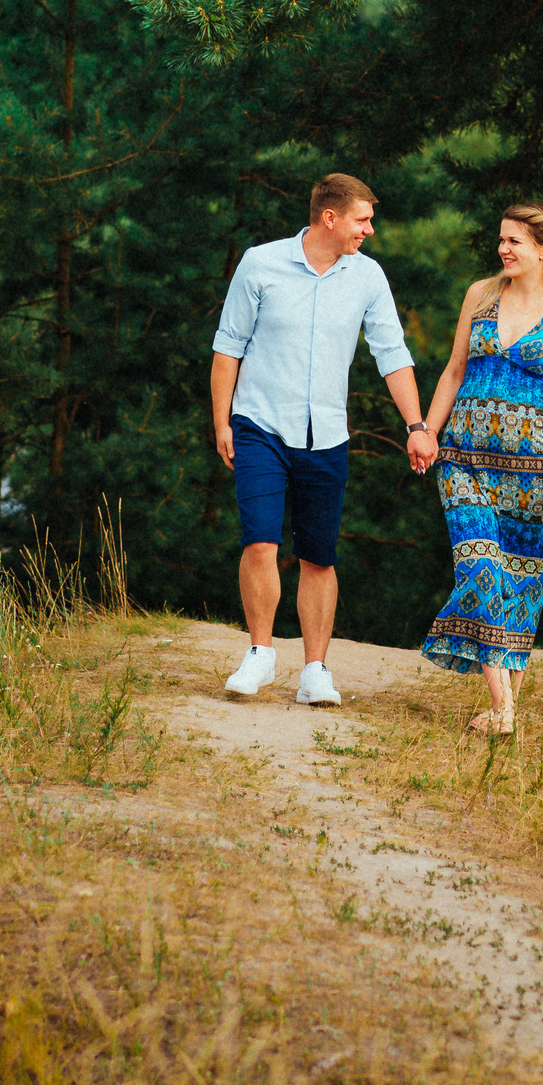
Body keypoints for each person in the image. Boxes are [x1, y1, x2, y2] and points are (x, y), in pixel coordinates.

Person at [209, 172, 431, 705]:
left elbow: (392, 354)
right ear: (329, 218)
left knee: (319, 557)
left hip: (326, 434)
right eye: (363, 219)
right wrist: (222, 422)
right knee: (260, 540)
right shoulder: (260, 263)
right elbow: (228, 347)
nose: (369, 230)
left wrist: (417, 426)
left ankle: (315, 671)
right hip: (259, 424)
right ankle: (261, 654)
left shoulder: (368, 278)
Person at [412, 203, 543, 733]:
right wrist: (425, 429)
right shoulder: (480, 295)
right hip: (464, 461)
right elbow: (453, 371)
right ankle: (502, 707)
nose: (503, 249)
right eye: (501, 240)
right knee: (480, 568)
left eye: (515, 241)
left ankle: (504, 704)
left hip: (534, 478)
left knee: (520, 585)